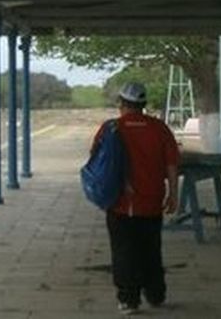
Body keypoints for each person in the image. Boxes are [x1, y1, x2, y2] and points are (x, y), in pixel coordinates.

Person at [90, 82, 180, 315]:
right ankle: (155, 293)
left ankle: (129, 299)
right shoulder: (159, 129)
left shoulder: (112, 128)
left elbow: (95, 160)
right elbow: (171, 164)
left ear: (122, 103)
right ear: (143, 104)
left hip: (121, 203)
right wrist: (173, 194)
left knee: (124, 251)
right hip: (152, 202)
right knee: (151, 248)